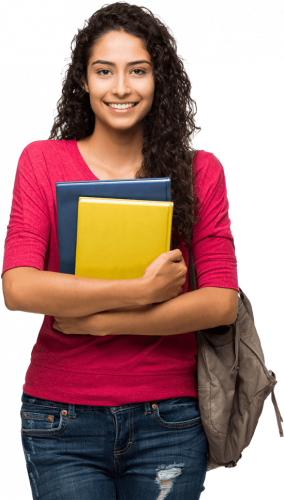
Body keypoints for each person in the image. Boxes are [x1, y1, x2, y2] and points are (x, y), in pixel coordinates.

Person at [2, 2, 239, 499]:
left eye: (138, 71)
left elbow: (220, 302)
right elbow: (19, 286)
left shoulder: (199, 172)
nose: (121, 88)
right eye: (104, 71)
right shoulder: (43, 161)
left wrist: (108, 320)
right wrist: (141, 291)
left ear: (160, 80)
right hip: (61, 416)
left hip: (170, 416)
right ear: (84, 81)